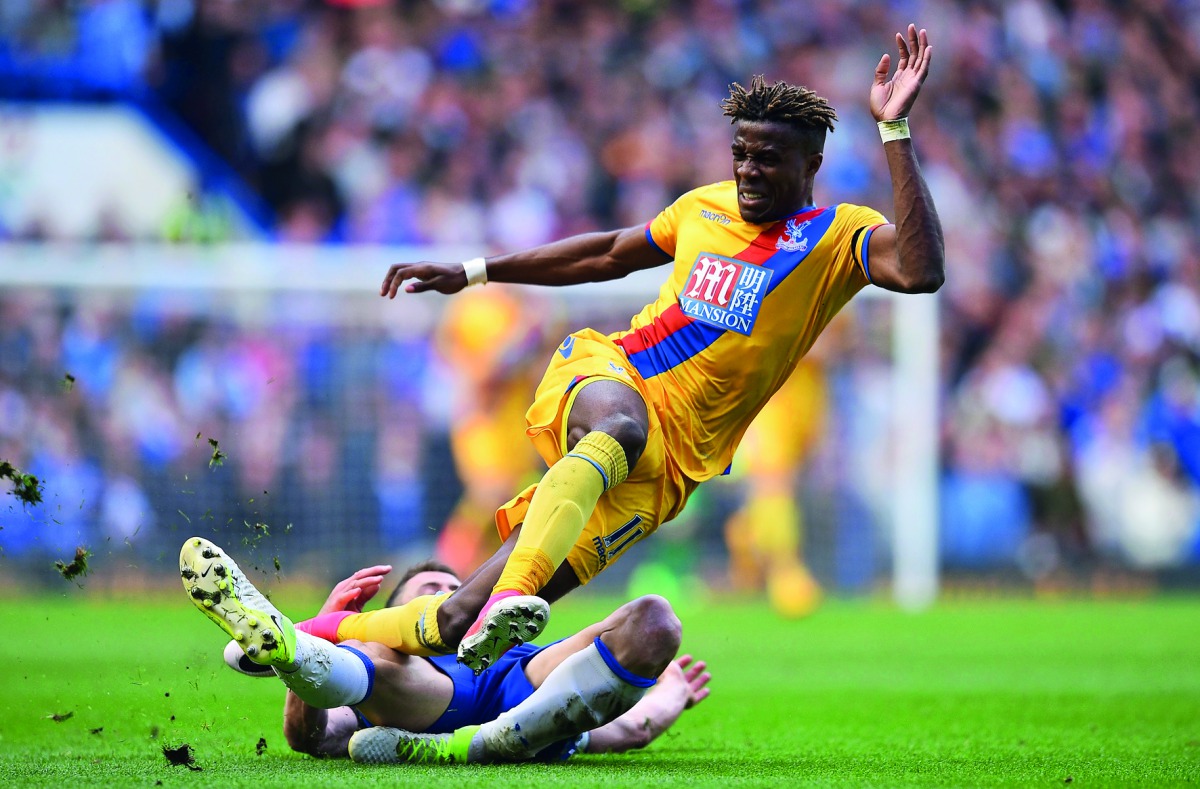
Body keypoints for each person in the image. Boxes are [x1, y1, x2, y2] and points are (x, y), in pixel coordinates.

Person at [300, 25, 945, 674]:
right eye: (741, 153)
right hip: (614, 372)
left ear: (811, 166)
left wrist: (894, 132)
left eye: (768, 158)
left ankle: (312, 633)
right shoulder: (703, 207)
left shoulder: (838, 236)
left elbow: (921, 272)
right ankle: (516, 597)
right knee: (620, 428)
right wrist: (475, 271)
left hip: (670, 468)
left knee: (457, 616)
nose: (748, 169)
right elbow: (609, 253)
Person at [181, 537, 711, 764]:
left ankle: (475, 745)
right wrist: (322, 636)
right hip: (433, 697)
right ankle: (294, 648)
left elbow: (636, 727)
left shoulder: (532, 659)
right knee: (381, 653)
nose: (443, 597)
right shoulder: (387, 655)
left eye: (452, 590)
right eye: (427, 591)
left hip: (523, 685)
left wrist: (673, 691)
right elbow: (310, 738)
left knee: (655, 620)